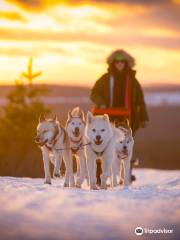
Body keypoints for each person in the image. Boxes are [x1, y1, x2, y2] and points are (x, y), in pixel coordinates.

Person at [90, 49, 149, 183]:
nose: (120, 64)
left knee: (126, 145)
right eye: (117, 61)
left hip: (129, 118)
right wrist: (102, 103)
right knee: (103, 145)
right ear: (113, 63)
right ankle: (100, 176)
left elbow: (140, 100)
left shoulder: (133, 80)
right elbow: (94, 93)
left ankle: (126, 175)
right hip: (107, 117)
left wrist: (144, 118)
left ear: (127, 63)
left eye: (123, 61)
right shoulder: (105, 78)